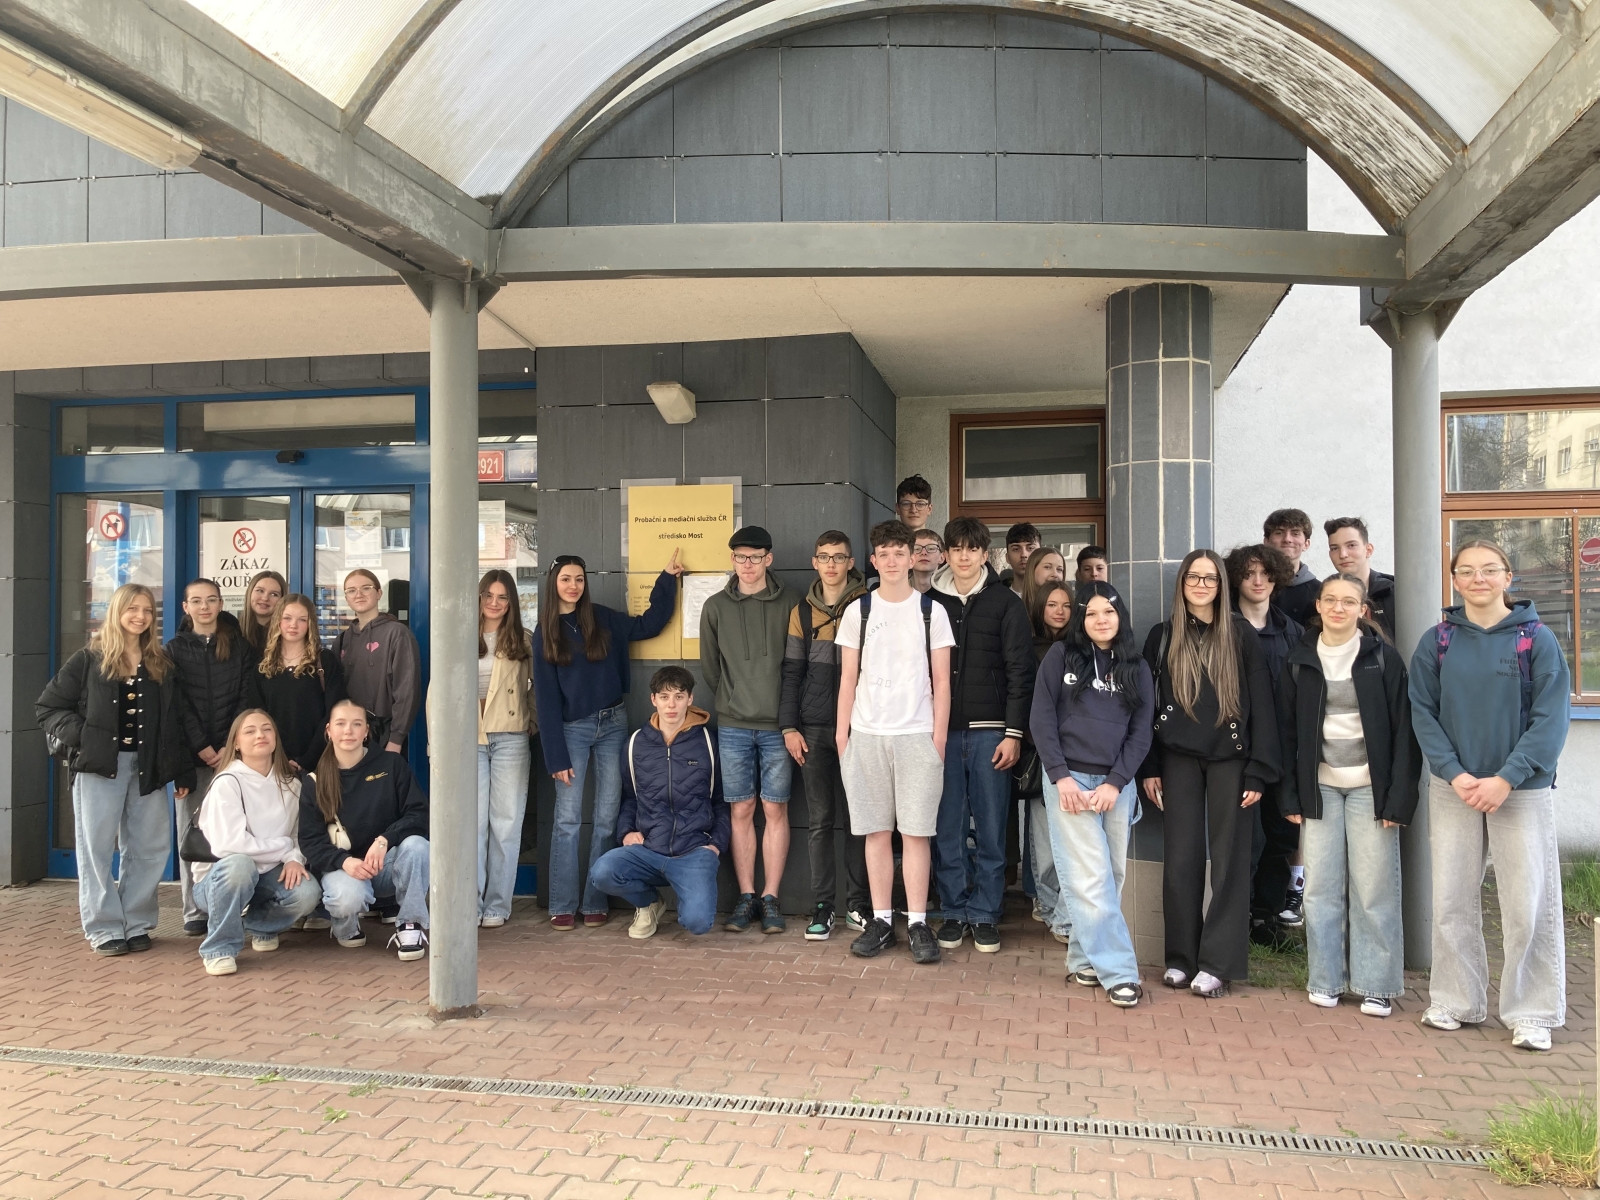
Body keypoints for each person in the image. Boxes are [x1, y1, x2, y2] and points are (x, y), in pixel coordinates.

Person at [1410, 539, 1571, 1052]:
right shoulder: (1438, 641)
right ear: (1455, 580)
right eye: (1467, 571)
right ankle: (1456, 1001)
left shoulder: (1536, 639)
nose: (1478, 579)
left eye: (1489, 570)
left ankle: (1533, 1012)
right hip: (1453, 788)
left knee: (1528, 903)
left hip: (1520, 789)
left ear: (1507, 576)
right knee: (1452, 900)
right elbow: (1422, 712)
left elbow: (1551, 719)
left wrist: (1507, 777)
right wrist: (1454, 773)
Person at [1140, 549, 1280, 998]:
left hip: (1231, 760)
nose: (1201, 586)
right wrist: (1149, 766)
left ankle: (1218, 963)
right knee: (1180, 859)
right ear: (1181, 583)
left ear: (1221, 585)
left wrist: (1259, 771)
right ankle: (1181, 958)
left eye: (1210, 579)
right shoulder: (1162, 635)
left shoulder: (1240, 635)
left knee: (1230, 862)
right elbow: (1145, 707)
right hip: (1176, 757)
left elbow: (1262, 704)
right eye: (1193, 578)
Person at [1280, 574, 1418, 1018]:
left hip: (1369, 789)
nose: (1338, 608)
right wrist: (1290, 795)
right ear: (1318, 606)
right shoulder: (1299, 658)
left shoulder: (1382, 658)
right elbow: (1285, 734)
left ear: (1363, 610)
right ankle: (1326, 979)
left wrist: (1398, 798)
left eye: (1348, 602)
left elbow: (1405, 732)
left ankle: (1376, 985)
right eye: (1330, 600)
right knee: (1320, 888)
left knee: (1374, 888)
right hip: (1319, 786)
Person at [36, 583, 194, 956]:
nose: (140, 616)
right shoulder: (89, 659)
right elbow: (48, 707)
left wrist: (182, 771)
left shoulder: (159, 663)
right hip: (99, 768)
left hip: (148, 767)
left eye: (147, 610)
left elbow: (174, 721)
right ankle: (104, 927)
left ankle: (136, 923)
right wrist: (86, 737)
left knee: (150, 847)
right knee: (96, 848)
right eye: (132, 609)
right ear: (117, 611)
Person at [533, 550, 683, 930]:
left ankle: (595, 900)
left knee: (605, 817)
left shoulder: (602, 618)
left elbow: (649, 625)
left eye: (579, 579)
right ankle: (563, 903)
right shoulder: (545, 632)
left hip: (613, 724)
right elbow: (545, 699)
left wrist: (667, 579)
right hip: (572, 730)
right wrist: (555, 756)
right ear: (554, 583)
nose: (573, 586)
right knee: (567, 819)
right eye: (566, 579)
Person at [836, 520, 955, 963]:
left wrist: (937, 738)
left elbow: (942, 681)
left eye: (899, 553)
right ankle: (883, 920)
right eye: (883, 554)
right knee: (876, 832)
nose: (891, 561)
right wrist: (842, 735)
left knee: (917, 833)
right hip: (867, 734)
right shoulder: (859, 611)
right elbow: (847, 678)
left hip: (917, 735)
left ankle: (919, 922)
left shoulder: (931, 612)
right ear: (873, 560)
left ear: (912, 558)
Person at [1030, 582, 1154, 1007]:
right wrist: (1060, 777)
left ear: (1120, 616)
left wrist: (1116, 782)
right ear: (1081, 619)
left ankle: (1085, 960)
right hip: (1069, 782)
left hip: (1115, 784)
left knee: (1110, 874)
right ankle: (1120, 972)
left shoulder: (1136, 666)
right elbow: (1041, 718)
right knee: (1089, 876)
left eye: (1109, 612)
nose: (1101, 620)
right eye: (1092, 613)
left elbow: (1141, 733)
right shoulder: (1060, 656)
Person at [929, 517, 1035, 954]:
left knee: (992, 830)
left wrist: (1014, 733)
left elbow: (1020, 672)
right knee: (947, 828)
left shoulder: (1005, 603)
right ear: (946, 554)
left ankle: (986, 913)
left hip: (992, 734)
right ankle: (954, 911)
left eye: (972, 549)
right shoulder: (929, 603)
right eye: (956, 549)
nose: (964, 557)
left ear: (985, 554)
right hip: (942, 735)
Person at [700, 528, 796, 934]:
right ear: (733, 560)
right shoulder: (715, 606)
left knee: (775, 809)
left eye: (755, 557)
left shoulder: (791, 602)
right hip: (734, 724)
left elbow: (798, 664)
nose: (748, 564)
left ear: (768, 559)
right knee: (740, 809)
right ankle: (746, 895)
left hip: (779, 726)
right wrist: (732, 698)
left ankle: (770, 897)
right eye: (740, 557)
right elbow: (710, 668)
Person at [591, 667, 730, 939]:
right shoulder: (635, 744)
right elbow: (630, 797)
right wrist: (626, 832)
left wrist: (715, 845)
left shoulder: (707, 742)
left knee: (698, 923)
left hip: (694, 850)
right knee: (603, 872)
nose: (671, 705)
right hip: (649, 849)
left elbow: (722, 800)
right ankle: (649, 903)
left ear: (690, 699)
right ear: (653, 699)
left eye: (679, 696)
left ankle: (688, 898)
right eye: (664, 697)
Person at [780, 531, 872, 939]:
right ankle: (823, 905)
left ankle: (858, 904)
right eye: (824, 557)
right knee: (819, 820)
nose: (831, 564)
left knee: (860, 820)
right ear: (814, 562)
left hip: (861, 727)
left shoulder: (870, 605)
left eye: (839, 557)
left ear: (851, 562)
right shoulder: (801, 612)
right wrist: (789, 726)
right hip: (813, 729)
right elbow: (791, 672)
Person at [189, 709, 322, 975]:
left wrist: (294, 858)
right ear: (236, 743)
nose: (260, 735)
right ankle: (219, 949)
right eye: (250, 731)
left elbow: (299, 835)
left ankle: (261, 925)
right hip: (220, 881)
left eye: (266, 729)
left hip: (266, 876)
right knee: (240, 865)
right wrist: (283, 848)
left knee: (307, 893)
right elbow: (230, 845)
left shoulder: (291, 784)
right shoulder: (227, 782)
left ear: (276, 738)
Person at [299, 698, 431, 960]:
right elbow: (310, 841)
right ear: (329, 731)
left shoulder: (391, 765)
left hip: (384, 865)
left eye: (356, 724)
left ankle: (410, 924)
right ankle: (346, 927)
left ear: (366, 731)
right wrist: (344, 862)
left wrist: (385, 840)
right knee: (347, 897)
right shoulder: (315, 780)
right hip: (344, 869)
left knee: (418, 846)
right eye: (341, 724)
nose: (348, 731)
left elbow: (419, 813)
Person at [1223, 544, 1304, 944]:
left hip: (1284, 751)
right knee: (1246, 840)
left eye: (1265, 574)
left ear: (1277, 578)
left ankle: (1266, 917)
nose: (1258, 581)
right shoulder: (1224, 629)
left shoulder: (1293, 632)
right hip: (1240, 752)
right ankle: (1237, 917)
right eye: (1249, 573)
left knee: (1281, 835)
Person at [167, 578, 257, 937]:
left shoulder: (239, 647)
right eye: (196, 601)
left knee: (238, 829)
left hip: (233, 755)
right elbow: (177, 703)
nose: (204, 607)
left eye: (211, 600)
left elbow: (246, 697)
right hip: (193, 759)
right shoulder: (174, 649)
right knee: (191, 832)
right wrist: (201, 745)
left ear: (221, 604)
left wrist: (226, 745)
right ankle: (194, 910)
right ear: (186, 607)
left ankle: (234, 902)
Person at [472, 568, 536, 928]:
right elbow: (440, 689)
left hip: (510, 735)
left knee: (506, 824)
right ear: (479, 597)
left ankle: (497, 903)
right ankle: (470, 902)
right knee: (473, 824)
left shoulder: (523, 640)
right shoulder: (460, 634)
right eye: (488, 595)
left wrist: (533, 720)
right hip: (469, 736)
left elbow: (539, 686)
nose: (494, 603)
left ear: (511, 602)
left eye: (502, 597)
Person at [1022, 582, 1074, 945]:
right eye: (1052, 604)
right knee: (1043, 837)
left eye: (1066, 605)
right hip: (1038, 751)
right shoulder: (1028, 647)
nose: (1059, 611)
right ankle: (1047, 902)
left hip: (1074, 752)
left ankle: (1063, 915)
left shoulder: (1081, 648)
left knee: (1069, 839)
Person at [245, 593, 346, 772]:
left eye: (302, 620)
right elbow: (258, 718)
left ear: (310, 624)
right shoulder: (262, 668)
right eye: (287, 618)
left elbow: (334, 715)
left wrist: (307, 760)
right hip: (274, 764)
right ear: (278, 621)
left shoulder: (324, 661)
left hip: (319, 763)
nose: (294, 625)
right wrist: (278, 759)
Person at [335, 568, 422, 754]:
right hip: (350, 736)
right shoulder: (342, 640)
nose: (359, 594)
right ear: (346, 598)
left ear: (379, 593)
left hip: (385, 737)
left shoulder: (397, 634)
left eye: (366, 588)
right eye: (351, 590)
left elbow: (407, 691)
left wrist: (396, 739)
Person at [1325, 517, 1395, 641]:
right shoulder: (1325, 600)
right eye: (1335, 548)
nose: (1343, 554)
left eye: (1351, 545)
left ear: (1368, 550)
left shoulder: (1393, 594)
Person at [1264, 509, 1319, 627]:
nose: (1287, 539)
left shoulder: (1319, 591)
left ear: (1306, 544)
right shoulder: (1252, 585)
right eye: (1279, 532)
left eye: (1295, 533)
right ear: (1266, 541)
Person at [238, 570, 287, 655]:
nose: (265, 598)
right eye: (260, 591)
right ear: (250, 592)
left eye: (274, 594)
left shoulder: (286, 636)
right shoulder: (232, 631)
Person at [1019, 546, 1067, 612]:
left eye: (1059, 569)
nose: (1055, 574)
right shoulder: (1016, 609)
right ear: (1032, 570)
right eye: (1047, 567)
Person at [1002, 523, 1042, 594]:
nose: (1023, 555)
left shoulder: (1054, 595)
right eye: (1016, 549)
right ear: (1007, 557)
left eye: (1030, 548)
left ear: (1041, 555)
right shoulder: (995, 598)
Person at [911, 528, 945, 594]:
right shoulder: (899, 594)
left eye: (931, 548)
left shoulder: (952, 594)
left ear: (942, 557)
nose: (924, 553)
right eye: (917, 548)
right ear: (909, 558)